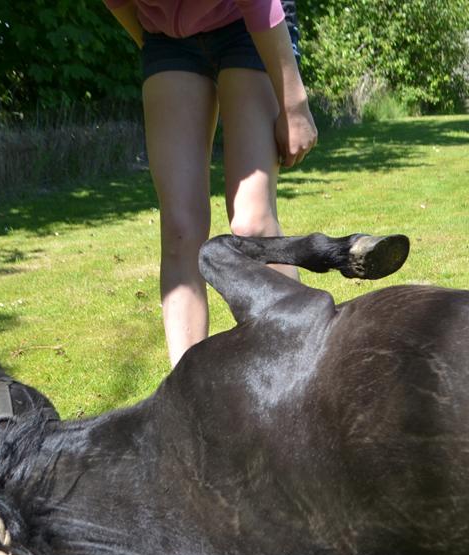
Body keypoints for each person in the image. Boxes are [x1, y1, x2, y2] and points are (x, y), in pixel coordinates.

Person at [103, 0, 318, 366]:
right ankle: (187, 399)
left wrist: (294, 106)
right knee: (180, 230)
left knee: (252, 223)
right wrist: (166, 50)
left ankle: (297, 369)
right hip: (168, 38)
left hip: (248, 27)